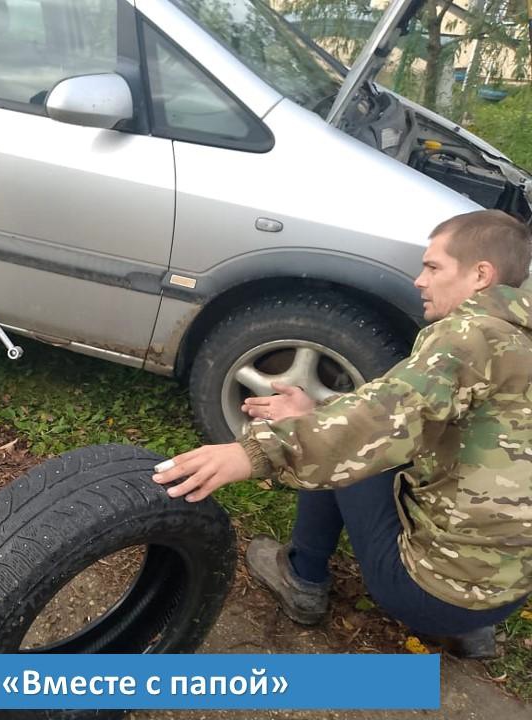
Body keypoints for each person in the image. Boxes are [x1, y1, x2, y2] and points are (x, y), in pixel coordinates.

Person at [153, 209, 532, 658]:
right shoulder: (518, 342)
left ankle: (302, 581)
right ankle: (470, 629)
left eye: (433, 267)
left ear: (480, 275)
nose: (419, 280)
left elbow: (371, 429)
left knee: (345, 460)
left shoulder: (470, 335)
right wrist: (319, 411)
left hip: (430, 594)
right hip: (510, 592)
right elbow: (413, 415)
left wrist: (255, 452)